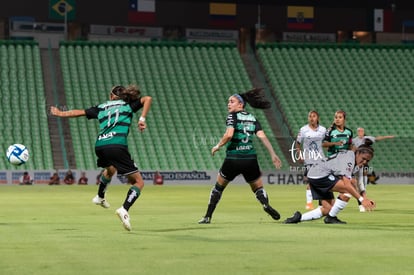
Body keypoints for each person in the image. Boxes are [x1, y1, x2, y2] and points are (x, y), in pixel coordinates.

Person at [51, 84, 152, 231]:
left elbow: (79, 112)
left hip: (100, 145)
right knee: (138, 182)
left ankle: (100, 197)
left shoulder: (102, 107)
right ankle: (124, 209)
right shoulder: (128, 105)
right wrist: (142, 119)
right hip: (117, 145)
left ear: (111, 96)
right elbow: (147, 99)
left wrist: (60, 113)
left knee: (110, 170)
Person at [198, 88, 282, 224]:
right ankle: (265, 204)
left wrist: (218, 146)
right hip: (250, 159)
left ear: (240, 105)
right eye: (228, 102)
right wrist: (273, 154)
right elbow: (263, 137)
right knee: (258, 188)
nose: (228, 104)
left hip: (234, 158)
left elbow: (229, 134)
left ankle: (207, 216)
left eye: (232, 101)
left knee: (218, 188)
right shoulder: (252, 118)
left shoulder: (232, 117)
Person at [283, 144, 376, 224]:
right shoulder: (349, 159)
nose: (364, 162)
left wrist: (365, 198)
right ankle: (331, 218)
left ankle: (298, 218)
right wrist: (361, 199)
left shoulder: (356, 163)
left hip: (316, 175)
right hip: (319, 174)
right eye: (363, 159)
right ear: (358, 153)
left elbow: (358, 183)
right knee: (349, 189)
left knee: (327, 209)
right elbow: (348, 185)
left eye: (367, 161)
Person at [352, 127, 394, 212]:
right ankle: (362, 199)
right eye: (359, 131)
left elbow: (377, 138)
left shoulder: (367, 139)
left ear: (364, 132)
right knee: (356, 184)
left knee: (361, 183)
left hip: (362, 164)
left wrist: (387, 137)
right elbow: (351, 148)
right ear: (357, 132)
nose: (360, 132)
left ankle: (362, 200)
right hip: (354, 162)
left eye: (362, 131)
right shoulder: (354, 140)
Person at [295, 110, 326, 210]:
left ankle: (322, 203)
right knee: (310, 181)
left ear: (318, 118)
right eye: (310, 116)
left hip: (321, 159)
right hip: (309, 159)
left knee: (322, 181)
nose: (311, 118)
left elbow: (326, 143)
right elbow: (298, 143)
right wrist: (299, 154)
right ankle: (309, 203)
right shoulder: (303, 129)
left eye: (314, 116)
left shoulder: (323, 130)